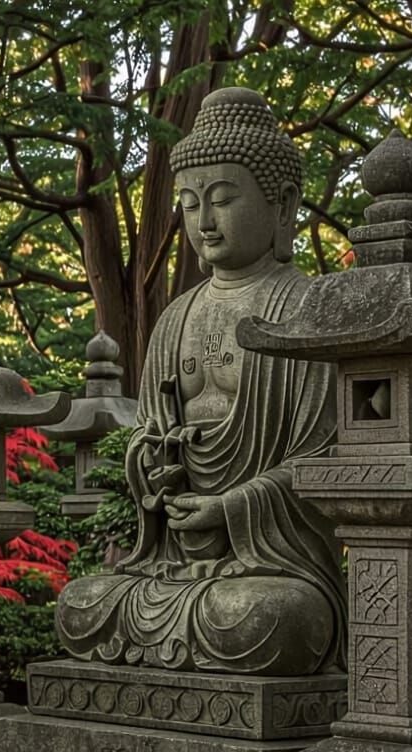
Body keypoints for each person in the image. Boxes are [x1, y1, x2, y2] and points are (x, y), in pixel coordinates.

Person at [56, 87, 346, 675]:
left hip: (269, 564)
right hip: (174, 560)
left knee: (267, 619)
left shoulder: (311, 311)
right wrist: (154, 472)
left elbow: (322, 460)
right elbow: (151, 435)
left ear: (283, 205)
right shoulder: (174, 318)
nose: (204, 223)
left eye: (222, 200)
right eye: (189, 204)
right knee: (82, 606)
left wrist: (232, 506)